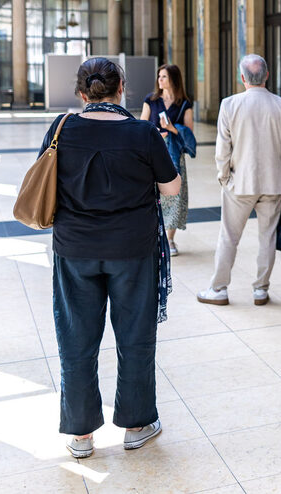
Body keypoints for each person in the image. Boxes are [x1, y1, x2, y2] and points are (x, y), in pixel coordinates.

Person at [45, 58, 181, 459]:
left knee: (76, 338)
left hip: (75, 249)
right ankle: (137, 425)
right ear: (122, 87)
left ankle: (81, 433)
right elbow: (172, 189)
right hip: (132, 251)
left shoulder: (62, 128)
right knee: (135, 337)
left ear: (82, 93)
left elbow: (44, 179)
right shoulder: (142, 133)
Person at [197, 54, 281, 307]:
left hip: (239, 183)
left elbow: (222, 150)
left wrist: (224, 178)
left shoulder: (229, 104)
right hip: (273, 184)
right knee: (268, 238)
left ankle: (218, 289)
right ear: (267, 75)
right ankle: (261, 290)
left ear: (242, 78)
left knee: (228, 237)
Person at [141, 64, 194, 256]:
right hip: (153, 155)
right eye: (159, 76)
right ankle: (154, 236)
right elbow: (142, 125)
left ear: (173, 79)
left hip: (174, 156)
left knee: (175, 197)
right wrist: (156, 133)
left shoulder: (184, 104)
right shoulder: (151, 100)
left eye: (164, 76)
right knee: (154, 195)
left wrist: (172, 129)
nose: (160, 80)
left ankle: (170, 239)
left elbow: (189, 133)